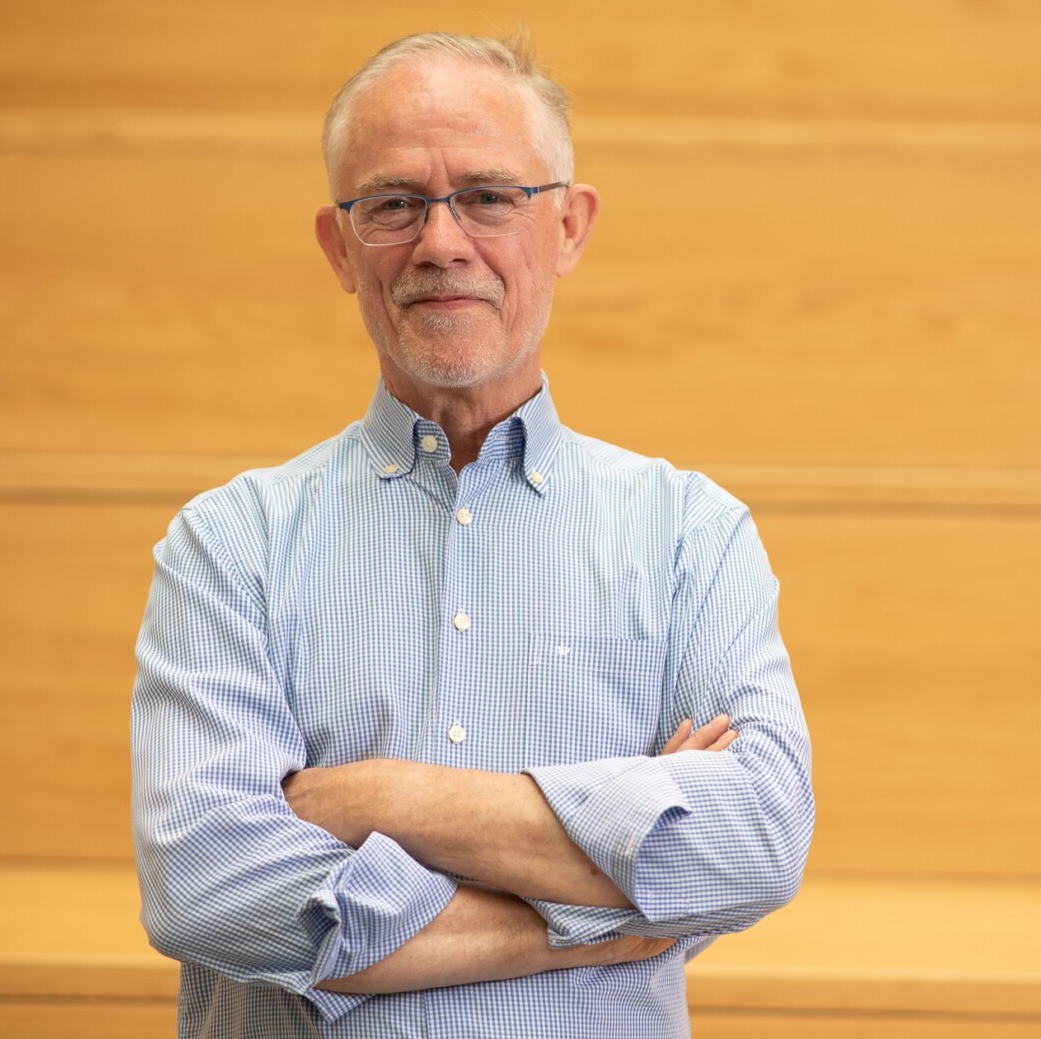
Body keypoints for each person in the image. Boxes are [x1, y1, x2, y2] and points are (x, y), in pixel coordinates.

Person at [131, 29, 813, 1039]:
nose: (442, 242)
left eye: (491, 197)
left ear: (571, 226)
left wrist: (382, 797)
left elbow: (753, 843)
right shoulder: (228, 544)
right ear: (337, 244)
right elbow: (207, 888)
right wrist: (601, 910)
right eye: (394, 204)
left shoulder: (689, 536)